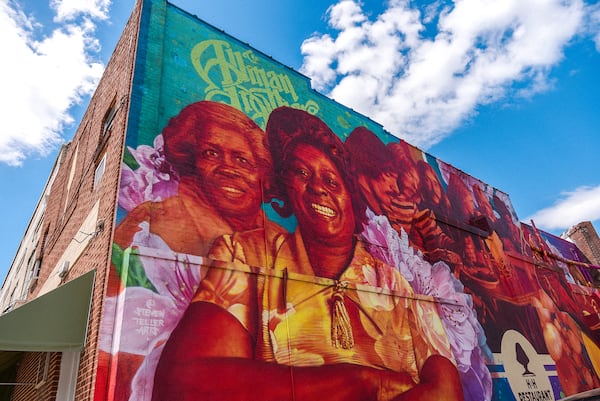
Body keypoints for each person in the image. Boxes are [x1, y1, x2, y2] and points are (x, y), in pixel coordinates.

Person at [152, 107, 464, 401]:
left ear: (350, 199)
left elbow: (445, 390)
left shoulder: (393, 284)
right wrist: (365, 384)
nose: (318, 187)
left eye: (331, 180)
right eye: (301, 173)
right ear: (286, 188)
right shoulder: (245, 255)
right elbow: (187, 382)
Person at [114, 100, 280, 256]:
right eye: (211, 154)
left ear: (263, 173)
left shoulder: (282, 242)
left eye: (242, 160)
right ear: (189, 160)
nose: (228, 169)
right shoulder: (151, 219)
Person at [344, 127, 458, 266]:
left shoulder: (394, 208)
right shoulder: (349, 209)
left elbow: (410, 244)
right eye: (388, 174)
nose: (396, 188)